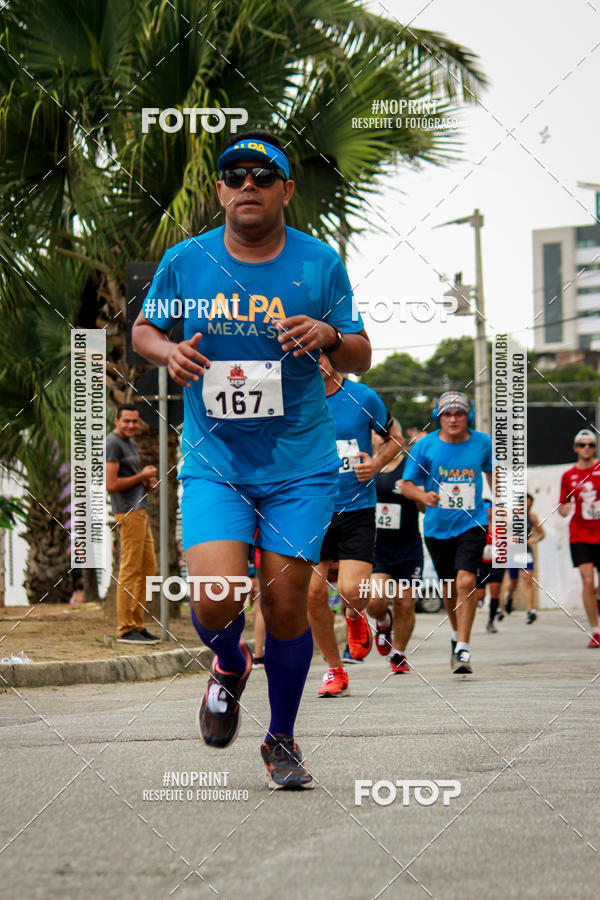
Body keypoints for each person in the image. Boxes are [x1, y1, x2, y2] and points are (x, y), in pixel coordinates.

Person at [132, 130, 371, 788]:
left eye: (263, 176)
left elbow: (360, 352)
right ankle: (230, 662)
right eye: (234, 175)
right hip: (216, 461)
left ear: (285, 190)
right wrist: (168, 352)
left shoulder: (319, 264)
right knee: (214, 599)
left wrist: (328, 334)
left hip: (299, 464)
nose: (248, 185)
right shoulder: (186, 261)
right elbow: (145, 329)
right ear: (219, 190)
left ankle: (282, 738)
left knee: (287, 602)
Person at [307, 354, 403, 697]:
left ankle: (354, 615)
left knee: (352, 591)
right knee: (312, 594)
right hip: (310, 509)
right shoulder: (294, 394)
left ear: (335, 356)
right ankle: (336, 670)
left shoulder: (363, 397)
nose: (315, 359)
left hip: (356, 508)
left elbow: (395, 438)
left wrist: (376, 464)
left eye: (320, 352)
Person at [401, 391, 493, 675]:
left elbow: (495, 474)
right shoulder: (425, 446)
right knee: (450, 587)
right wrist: (423, 495)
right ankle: (456, 635)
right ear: (438, 418)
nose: (453, 419)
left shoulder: (483, 442)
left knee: (467, 581)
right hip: (437, 527)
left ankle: (464, 647)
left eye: (459, 414)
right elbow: (406, 484)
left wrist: (502, 505)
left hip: (473, 522)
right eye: (447, 414)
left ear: (468, 416)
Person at [366, 434, 424, 674]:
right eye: (378, 435)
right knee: (374, 602)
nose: (382, 439)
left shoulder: (410, 466)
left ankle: (398, 654)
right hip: (377, 548)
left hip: (408, 546)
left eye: (387, 436)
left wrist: (417, 494)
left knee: (405, 603)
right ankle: (383, 621)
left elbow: (423, 506)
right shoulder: (365, 465)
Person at [106, 404, 160, 643]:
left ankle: (137, 624)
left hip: (140, 510)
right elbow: (111, 484)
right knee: (130, 570)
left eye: (135, 421)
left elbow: (130, 479)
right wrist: (142, 475)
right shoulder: (113, 443)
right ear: (116, 420)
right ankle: (125, 629)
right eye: (126, 421)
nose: (131, 425)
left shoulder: (131, 442)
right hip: (127, 513)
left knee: (148, 569)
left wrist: (146, 483)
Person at [559, 429, 600, 647]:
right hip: (580, 534)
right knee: (587, 581)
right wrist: (563, 509)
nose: (587, 449)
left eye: (591, 445)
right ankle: (595, 631)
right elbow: (562, 504)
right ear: (575, 448)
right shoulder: (568, 475)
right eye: (582, 445)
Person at [504, 493, 545, 624]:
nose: (527, 508)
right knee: (513, 582)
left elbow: (542, 534)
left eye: (529, 505)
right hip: (512, 552)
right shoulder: (510, 516)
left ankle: (530, 611)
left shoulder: (532, 517)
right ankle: (509, 597)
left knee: (527, 580)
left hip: (525, 552)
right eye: (525, 505)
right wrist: (509, 541)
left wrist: (534, 539)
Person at [475, 502, 504, 633]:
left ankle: (491, 622)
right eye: (487, 509)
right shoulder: (479, 524)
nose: (489, 511)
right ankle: (477, 603)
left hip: (497, 561)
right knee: (480, 594)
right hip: (481, 562)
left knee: (495, 589)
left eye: (491, 508)